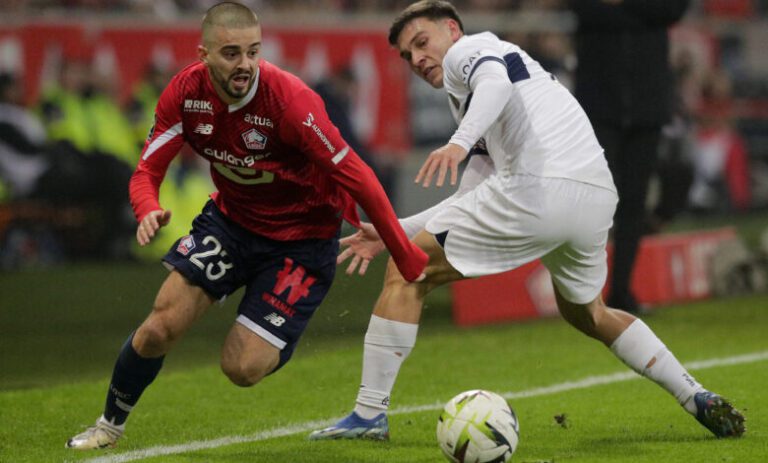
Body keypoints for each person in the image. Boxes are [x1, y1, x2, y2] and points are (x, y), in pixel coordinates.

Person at [309, 0, 745, 442]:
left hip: (538, 187)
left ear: (452, 30)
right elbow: (470, 197)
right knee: (590, 314)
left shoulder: (468, 53)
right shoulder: (492, 88)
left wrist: (458, 143)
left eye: (422, 42)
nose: (418, 59)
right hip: (594, 197)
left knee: (410, 270)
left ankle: (368, 416)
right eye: (408, 55)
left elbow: (494, 82)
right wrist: (392, 231)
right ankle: (694, 394)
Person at [65, 1, 427, 450]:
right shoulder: (186, 93)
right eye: (232, 53)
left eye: (253, 52)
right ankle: (108, 425)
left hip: (301, 241)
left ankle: (278, 327)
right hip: (231, 225)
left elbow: (358, 176)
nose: (245, 64)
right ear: (204, 55)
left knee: (242, 368)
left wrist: (404, 253)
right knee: (159, 328)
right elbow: (147, 170)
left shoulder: (290, 101)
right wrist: (147, 208)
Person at [572, 0, 690, 313]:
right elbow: (583, 9)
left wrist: (619, 6)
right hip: (600, 104)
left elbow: (672, 10)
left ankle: (621, 291)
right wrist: (643, 13)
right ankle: (585, 291)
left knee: (634, 202)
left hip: (646, 104)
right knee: (593, 198)